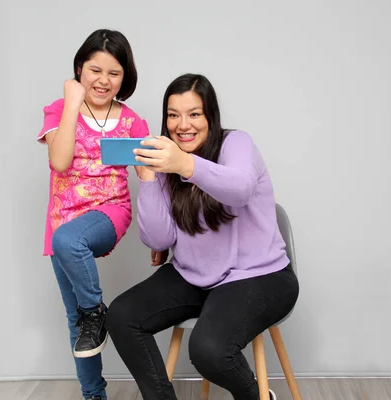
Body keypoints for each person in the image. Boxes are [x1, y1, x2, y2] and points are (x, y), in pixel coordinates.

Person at [106, 73, 300, 400]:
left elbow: (239, 189)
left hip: (260, 275)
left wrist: (184, 163)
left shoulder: (235, 143)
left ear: (210, 115)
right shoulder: (168, 161)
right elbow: (157, 239)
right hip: (196, 275)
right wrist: (151, 179)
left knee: (208, 350)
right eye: (173, 115)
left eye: (194, 114)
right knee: (122, 316)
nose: (183, 125)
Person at [36, 29, 149, 400]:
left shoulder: (133, 122)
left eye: (113, 73)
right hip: (63, 217)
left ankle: (95, 311)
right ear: (79, 70)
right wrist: (72, 104)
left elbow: (150, 184)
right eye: (94, 70)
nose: (103, 80)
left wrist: (159, 236)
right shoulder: (59, 109)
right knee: (78, 324)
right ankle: (94, 395)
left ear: (124, 77)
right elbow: (59, 160)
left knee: (68, 241)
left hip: (109, 212)